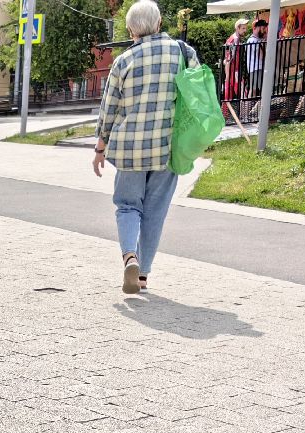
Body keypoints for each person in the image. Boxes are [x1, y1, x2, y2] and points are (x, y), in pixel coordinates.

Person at [92, 0, 200, 294]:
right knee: (155, 212)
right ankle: (143, 276)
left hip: (130, 150)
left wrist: (100, 148)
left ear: (130, 29)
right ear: (159, 22)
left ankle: (130, 256)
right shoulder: (183, 52)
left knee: (128, 206)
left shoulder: (124, 61)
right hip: (168, 149)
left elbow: (109, 109)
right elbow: (197, 98)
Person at [222, 18, 250, 103]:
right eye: (243, 28)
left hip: (233, 71)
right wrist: (227, 76)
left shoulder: (235, 39)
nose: (245, 30)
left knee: (228, 96)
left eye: (245, 28)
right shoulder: (234, 40)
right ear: (237, 28)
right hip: (234, 72)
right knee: (242, 94)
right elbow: (227, 59)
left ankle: (225, 114)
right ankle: (245, 114)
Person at [246, 19, 269, 98]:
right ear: (257, 28)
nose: (264, 31)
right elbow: (262, 56)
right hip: (256, 68)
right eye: (263, 29)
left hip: (254, 68)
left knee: (254, 90)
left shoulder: (253, 40)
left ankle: (249, 109)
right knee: (255, 90)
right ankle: (248, 109)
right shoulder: (254, 41)